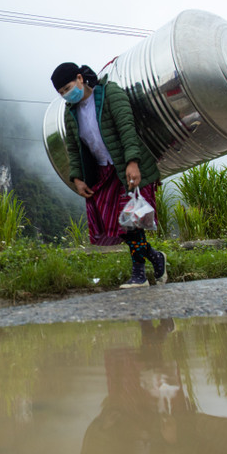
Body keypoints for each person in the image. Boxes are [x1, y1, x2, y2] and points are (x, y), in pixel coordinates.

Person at [51, 62, 166, 288]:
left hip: (126, 166)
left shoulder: (110, 94)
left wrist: (133, 162)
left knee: (132, 223)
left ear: (80, 78)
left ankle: (139, 275)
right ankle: (155, 257)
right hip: (103, 171)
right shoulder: (70, 112)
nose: (67, 94)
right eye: (62, 92)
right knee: (117, 223)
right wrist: (76, 178)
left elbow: (127, 128)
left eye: (68, 87)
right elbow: (74, 148)